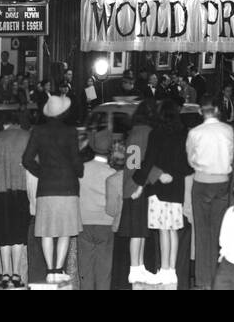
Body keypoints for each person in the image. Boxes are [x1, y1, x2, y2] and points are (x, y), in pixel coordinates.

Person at [22, 94, 83, 284]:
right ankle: (59, 268)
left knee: (46, 230)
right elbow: (75, 160)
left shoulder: (38, 131)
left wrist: (42, 173)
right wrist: (78, 171)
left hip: (47, 186)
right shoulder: (70, 131)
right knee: (65, 230)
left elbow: (27, 160)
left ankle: (49, 270)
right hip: (67, 186)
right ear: (64, 112)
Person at [137, 98, 191, 289]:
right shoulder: (183, 134)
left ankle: (164, 269)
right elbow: (188, 164)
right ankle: (172, 271)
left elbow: (149, 160)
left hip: (158, 187)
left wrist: (140, 179)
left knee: (162, 230)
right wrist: (175, 174)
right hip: (176, 187)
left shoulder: (156, 134)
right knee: (173, 229)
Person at [186, 97, 234, 290]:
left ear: (200, 112)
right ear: (217, 110)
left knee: (201, 232)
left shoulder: (195, 132)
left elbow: (190, 159)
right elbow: (230, 156)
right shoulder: (228, 130)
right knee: (218, 233)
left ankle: (202, 280)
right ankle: (216, 279)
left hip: (202, 182)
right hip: (222, 182)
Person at [0, 108, 31, 288]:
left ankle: (5, 274)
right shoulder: (27, 136)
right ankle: (17, 274)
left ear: (3, 123)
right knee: (18, 233)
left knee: (4, 234)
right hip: (22, 190)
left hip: (1, 192)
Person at [77, 136, 123, 291]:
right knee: (104, 266)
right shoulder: (113, 172)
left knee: (85, 265)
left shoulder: (81, 169)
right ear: (109, 151)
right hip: (106, 223)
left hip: (84, 222)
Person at [119, 99, 156, 287]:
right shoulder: (147, 132)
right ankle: (135, 268)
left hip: (134, 184)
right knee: (137, 231)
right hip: (137, 186)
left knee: (140, 230)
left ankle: (139, 267)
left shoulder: (135, 131)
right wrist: (138, 185)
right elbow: (140, 162)